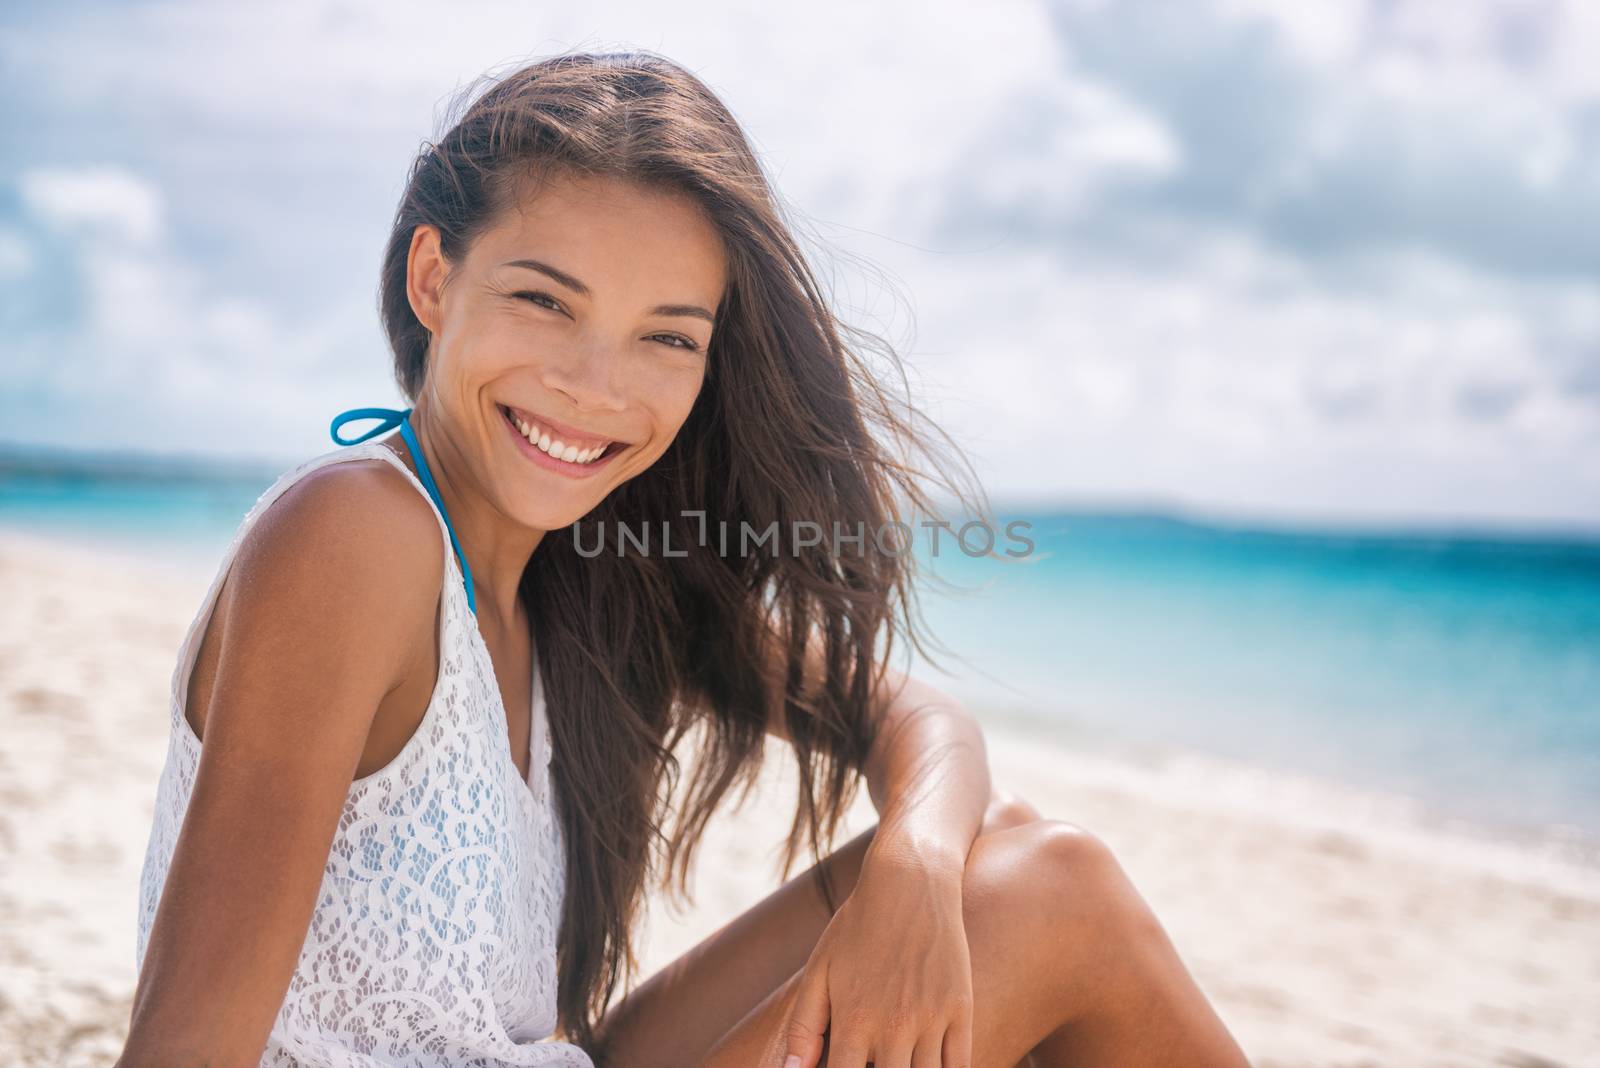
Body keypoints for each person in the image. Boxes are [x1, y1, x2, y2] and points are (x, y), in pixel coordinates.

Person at [119, 49, 1251, 1068]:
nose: (597, 384)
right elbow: (186, 1049)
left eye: (667, 337)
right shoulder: (354, 533)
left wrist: (910, 861)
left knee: (1014, 858)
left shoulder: (583, 572)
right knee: (1055, 897)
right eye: (543, 301)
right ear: (431, 278)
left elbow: (916, 722)